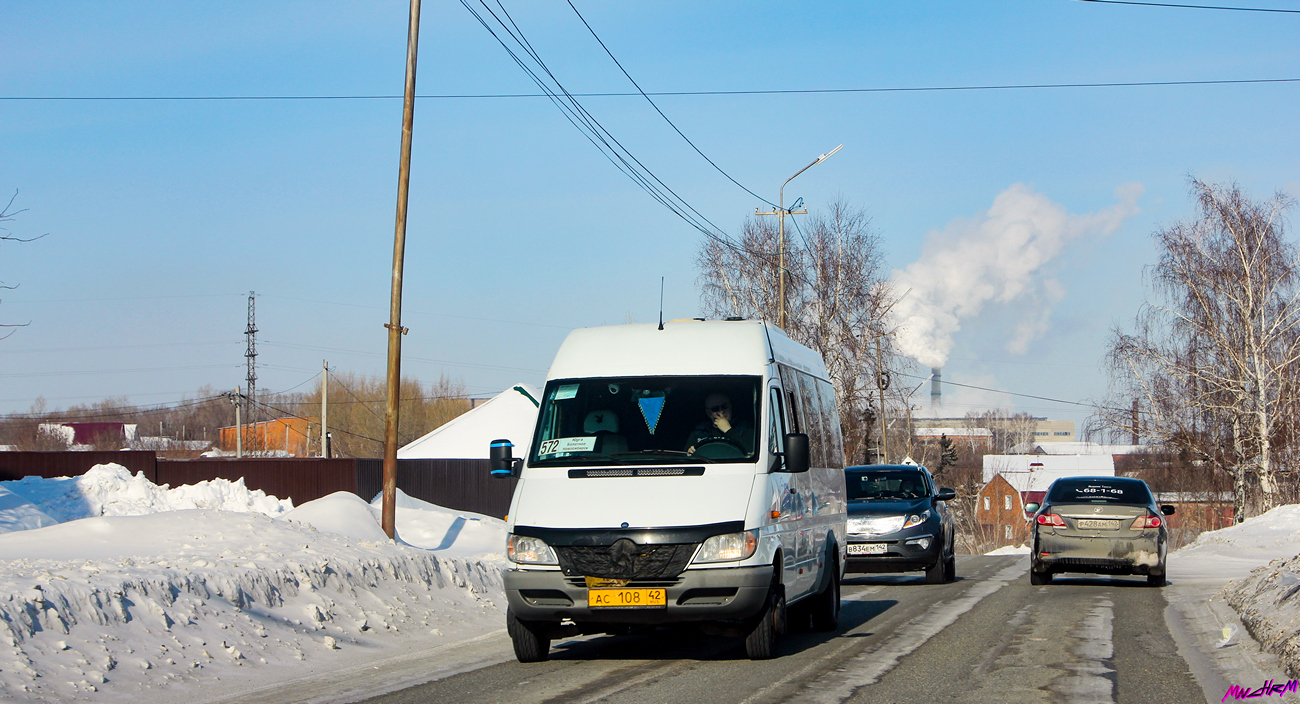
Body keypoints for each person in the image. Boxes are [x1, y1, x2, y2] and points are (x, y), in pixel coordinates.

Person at [685, 392, 755, 455]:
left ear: (730, 407)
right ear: (709, 413)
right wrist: (690, 452)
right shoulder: (699, 432)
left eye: (724, 407)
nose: (721, 411)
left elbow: (750, 453)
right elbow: (685, 456)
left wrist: (728, 430)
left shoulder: (744, 429)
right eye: (715, 409)